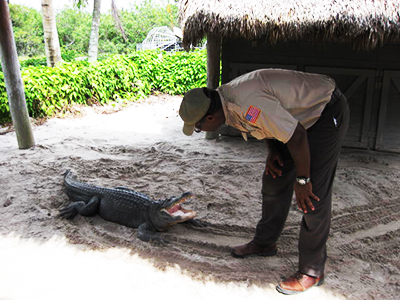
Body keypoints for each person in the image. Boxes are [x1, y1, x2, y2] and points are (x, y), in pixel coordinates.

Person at [178, 68, 350, 295]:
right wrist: (273, 149)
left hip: (324, 112)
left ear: (210, 118)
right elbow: (269, 123)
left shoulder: (245, 103)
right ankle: (265, 243)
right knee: (274, 178)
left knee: (313, 194)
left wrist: (302, 179)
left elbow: (297, 135)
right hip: (294, 121)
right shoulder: (225, 103)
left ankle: (312, 271)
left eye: (198, 128)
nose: (199, 130)